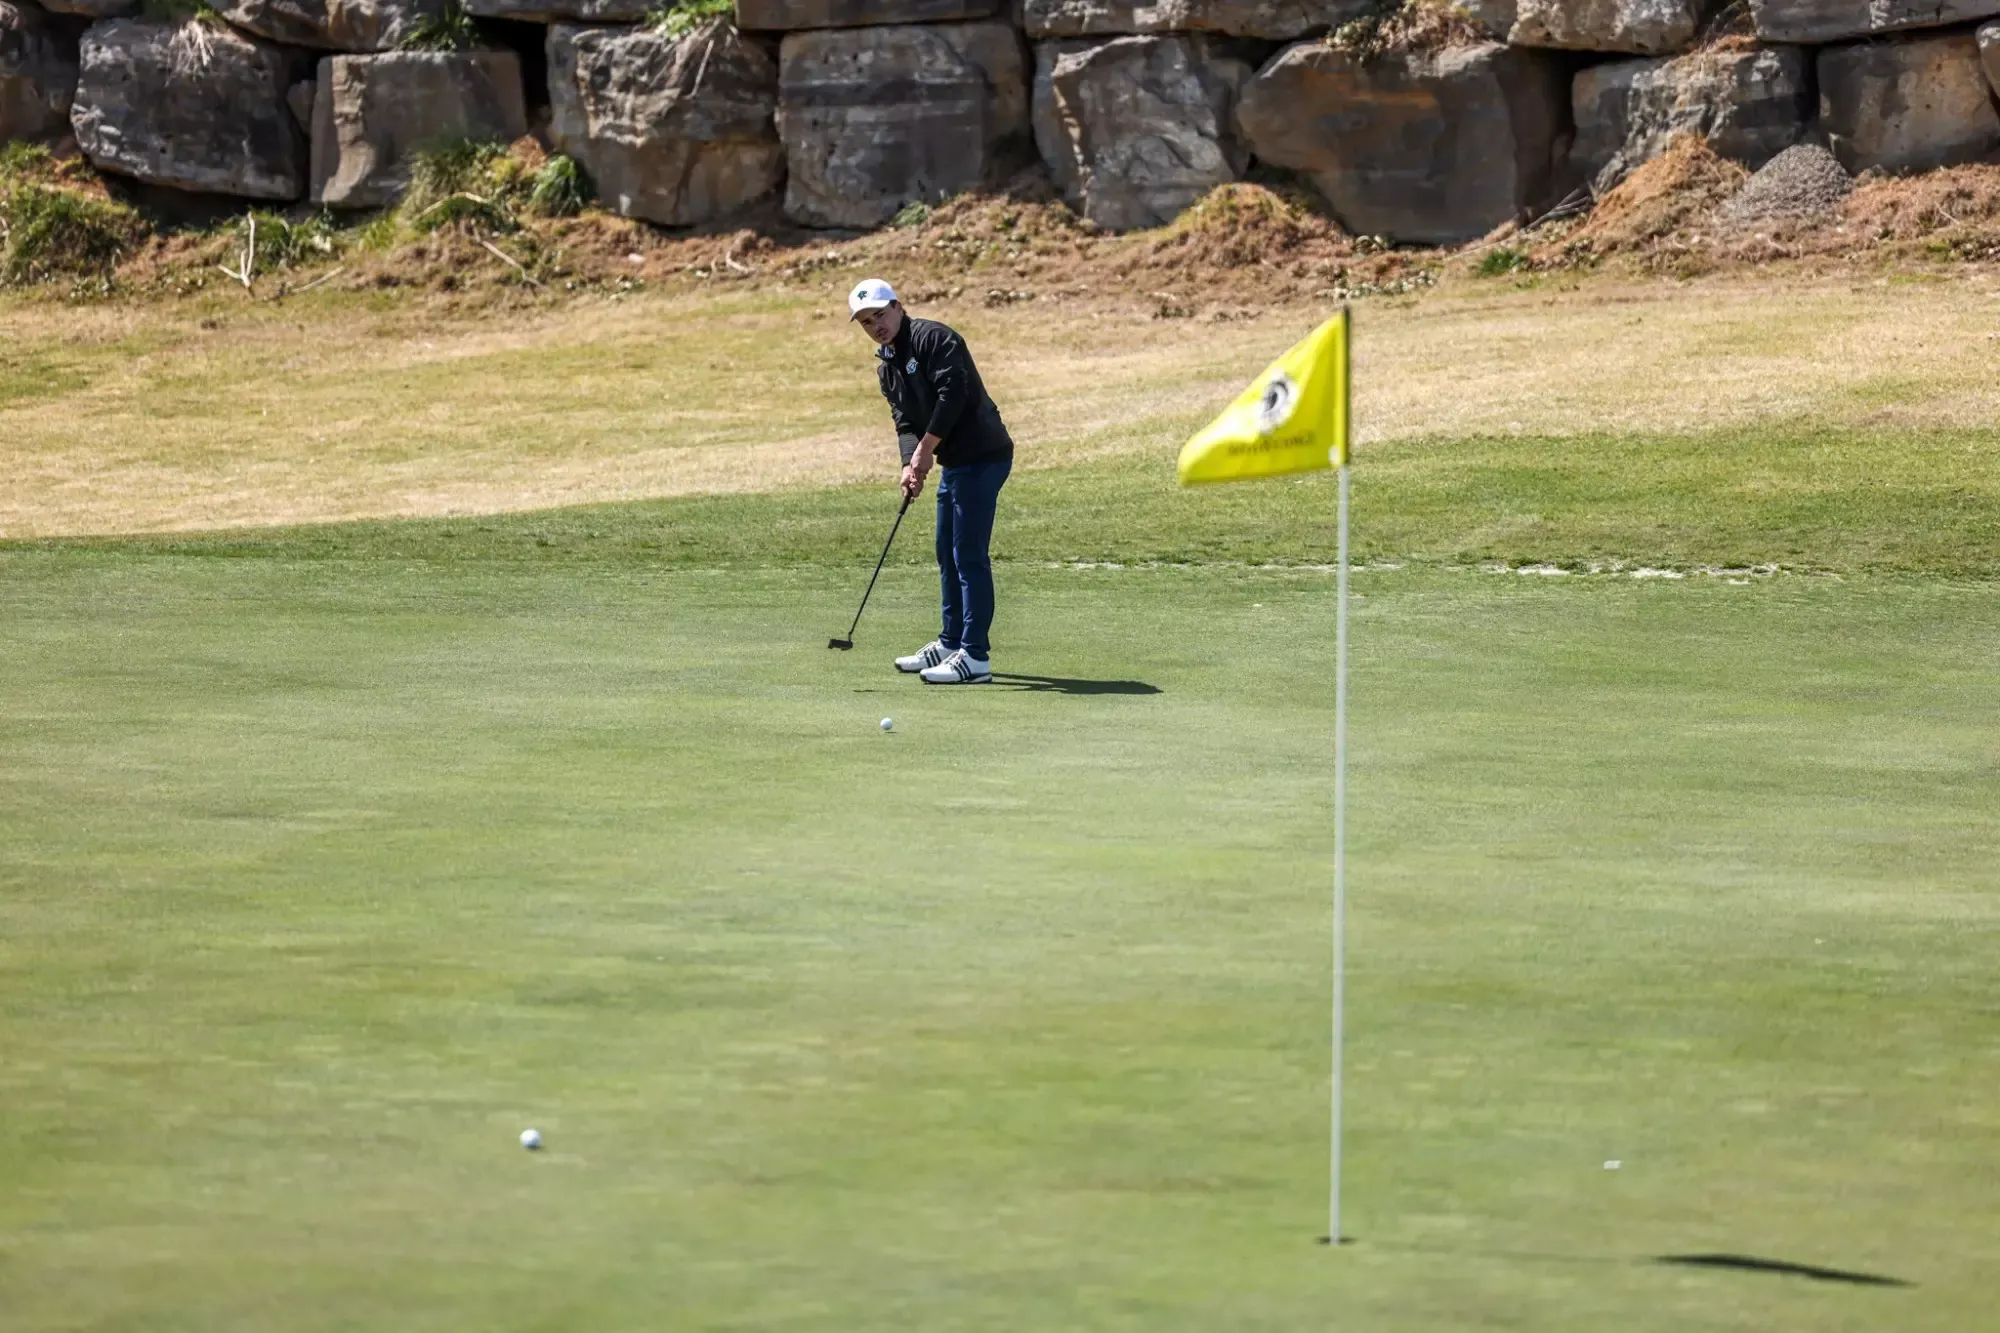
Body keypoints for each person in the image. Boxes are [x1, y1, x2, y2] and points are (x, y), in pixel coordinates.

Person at [848, 278, 1014, 685]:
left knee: (968, 555)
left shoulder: (933, 338)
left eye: (881, 314)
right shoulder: (887, 368)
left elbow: (952, 393)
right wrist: (910, 463)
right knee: (947, 551)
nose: (876, 325)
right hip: (956, 463)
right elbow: (904, 421)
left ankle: (974, 657)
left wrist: (926, 449)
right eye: (867, 322)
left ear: (899, 307)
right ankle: (950, 641)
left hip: (984, 456)